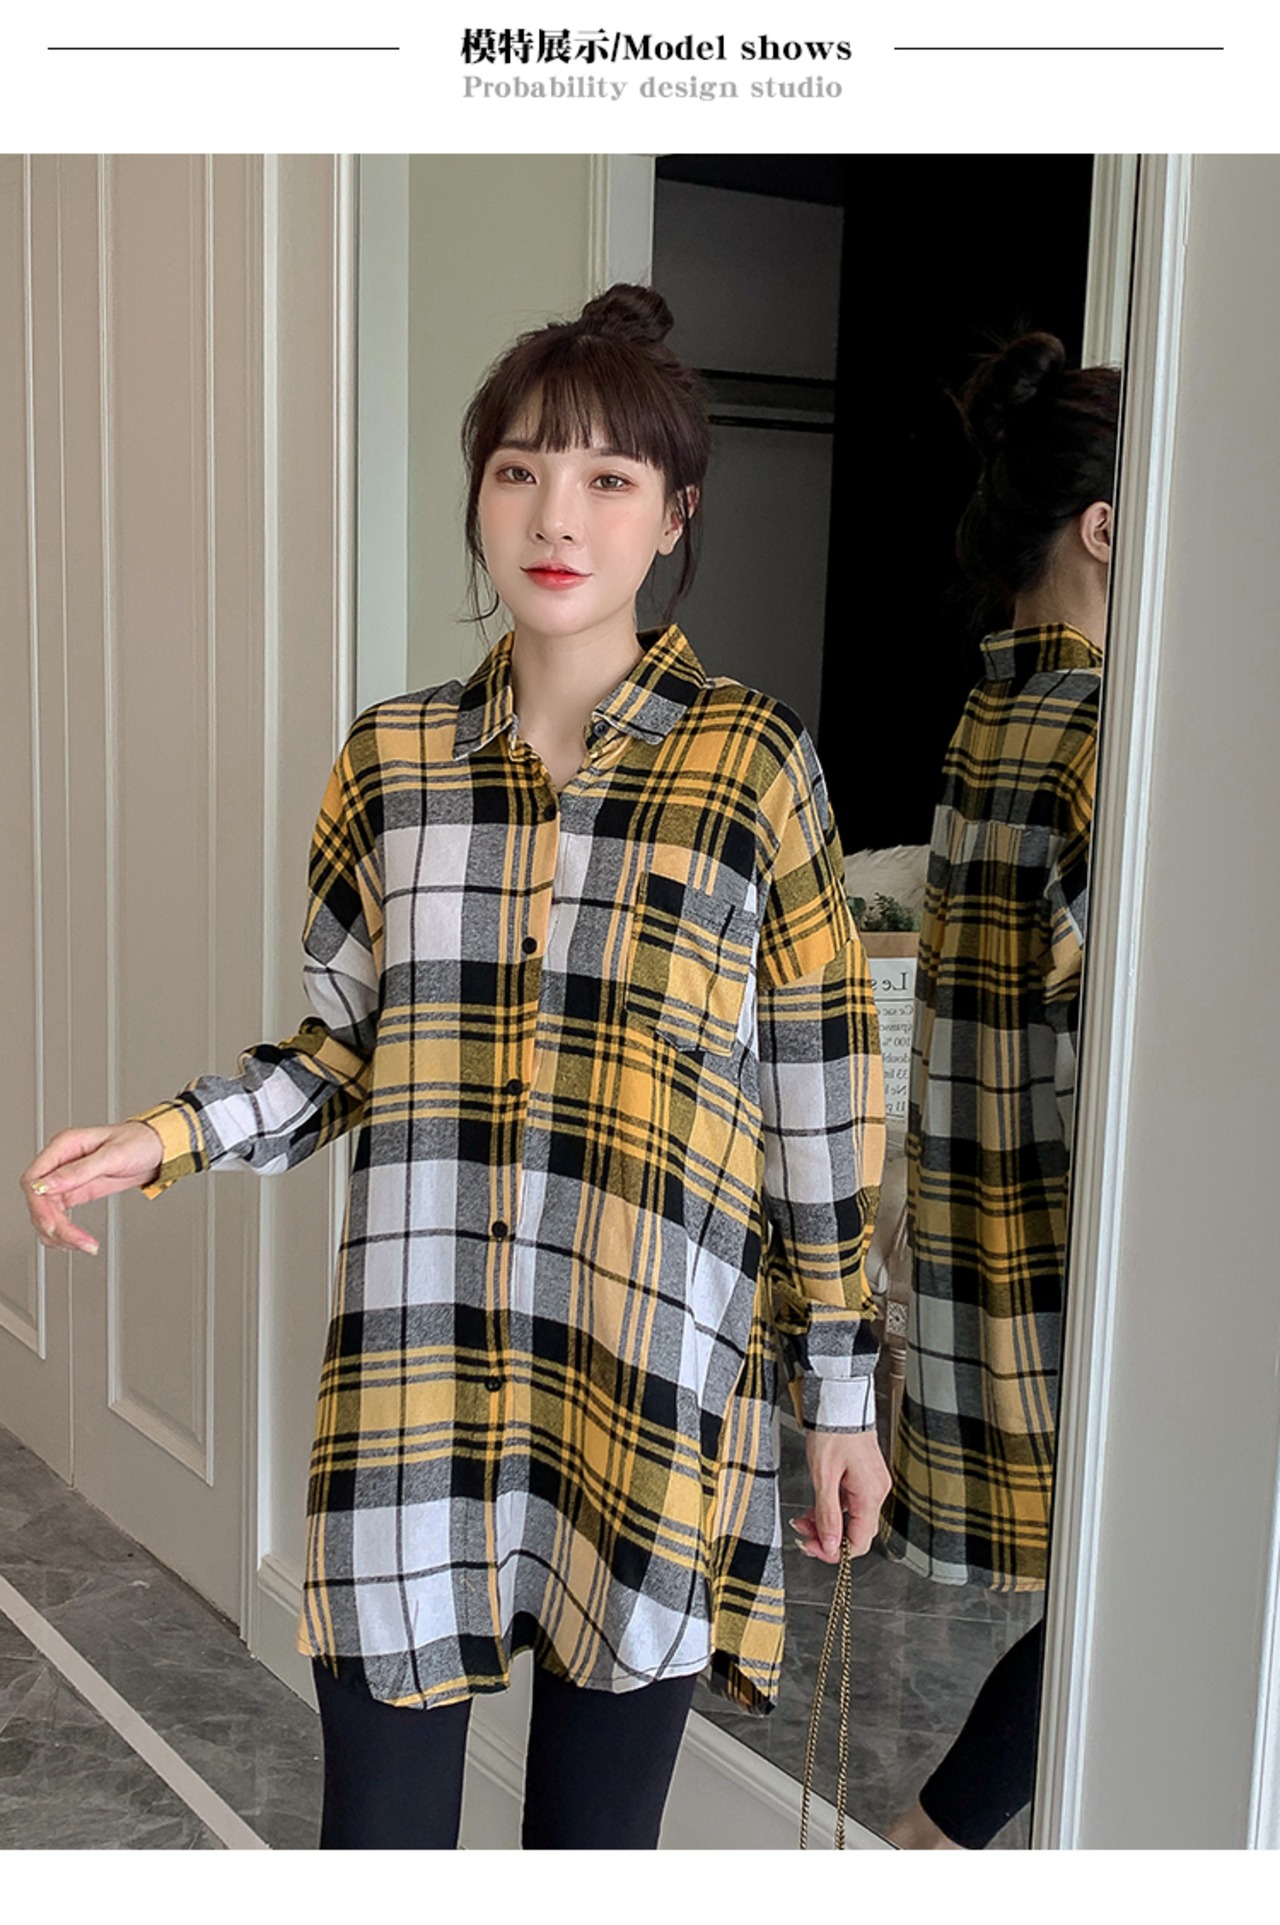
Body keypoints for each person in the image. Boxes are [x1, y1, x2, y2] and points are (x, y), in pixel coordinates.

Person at [20, 284, 889, 1851]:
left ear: (676, 512)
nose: (556, 514)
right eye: (519, 469)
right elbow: (342, 1046)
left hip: (644, 1386)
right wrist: (164, 1137)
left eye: (609, 477)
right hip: (413, 1390)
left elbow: (817, 1099)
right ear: (479, 493)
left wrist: (840, 1399)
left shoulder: (752, 764)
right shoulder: (393, 758)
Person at [874, 331, 1120, 1850]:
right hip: (1074, 1249)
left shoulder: (996, 713)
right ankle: (931, 1849)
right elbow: (1115, 1033)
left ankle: (934, 1847)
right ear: (1102, 525)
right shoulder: (1101, 731)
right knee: (1135, 1583)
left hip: (990, 1236)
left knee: (1109, 1587)